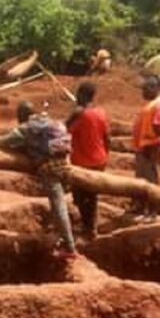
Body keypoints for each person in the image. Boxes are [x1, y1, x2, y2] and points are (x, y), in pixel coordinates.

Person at [0, 101, 76, 258]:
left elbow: (2, 143)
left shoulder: (27, 127)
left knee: (58, 205)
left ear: (21, 116)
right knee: (58, 204)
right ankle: (62, 237)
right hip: (66, 165)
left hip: (49, 169)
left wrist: (23, 148)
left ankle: (69, 247)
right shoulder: (50, 121)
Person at [67, 82, 110, 240]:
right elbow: (107, 137)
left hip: (82, 162)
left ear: (82, 95)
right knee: (91, 195)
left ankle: (89, 228)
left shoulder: (79, 114)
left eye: (79, 94)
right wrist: (106, 156)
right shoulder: (101, 112)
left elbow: (64, 130)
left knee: (80, 196)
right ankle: (90, 226)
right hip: (99, 160)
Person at [132, 77, 160, 222]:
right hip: (144, 146)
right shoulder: (154, 103)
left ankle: (153, 212)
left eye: (145, 89)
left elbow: (158, 128)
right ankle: (140, 207)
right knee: (142, 179)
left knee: (151, 181)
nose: (143, 92)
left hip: (151, 147)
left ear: (155, 88)